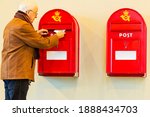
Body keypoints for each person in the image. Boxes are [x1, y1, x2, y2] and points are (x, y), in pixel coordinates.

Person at [1, 0, 65, 100]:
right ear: (28, 12)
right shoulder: (23, 25)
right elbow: (43, 43)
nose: (36, 16)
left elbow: (22, 39)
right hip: (19, 73)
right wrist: (57, 36)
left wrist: (35, 33)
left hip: (10, 73)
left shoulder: (12, 23)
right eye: (35, 13)